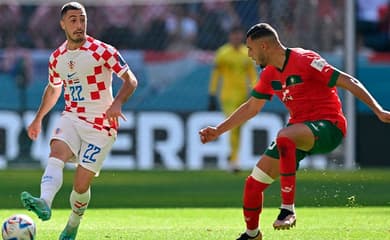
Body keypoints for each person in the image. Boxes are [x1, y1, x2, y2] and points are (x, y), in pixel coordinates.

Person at [199, 23, 390, 240]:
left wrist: (378, 110)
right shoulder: (269, 73)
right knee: (252, 186)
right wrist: (218, 130)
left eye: (251, 49)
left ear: (264, 46)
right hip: (296, 134)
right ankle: (252, 235)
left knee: (284, 136)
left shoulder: (305, 60)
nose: (249, 55)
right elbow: (252, 107)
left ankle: (287, 209)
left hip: (329, 126)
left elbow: (348, 80)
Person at [20, 2, 138, 240]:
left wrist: (116, 103)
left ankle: (73, 225)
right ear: (62, 24)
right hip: (72, 116)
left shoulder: (103, 50)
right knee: (56, 151)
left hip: (101, 125)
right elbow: (53, 89)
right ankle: (44, 201)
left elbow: (131, 80)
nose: (79, 25)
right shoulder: (57, 58)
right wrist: (38, 119)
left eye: (82, 19)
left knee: (81, 185)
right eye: (73, 20)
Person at [208, 25, 258, 172]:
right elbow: (216, 75)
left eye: (238, 35)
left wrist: (255, 90)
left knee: (239, 128)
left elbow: (252, 74)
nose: (236, 38)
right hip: (227, 96)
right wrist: (211, 93)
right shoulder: (223, 53)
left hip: (243, 96)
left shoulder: (246, 53)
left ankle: (233, 155)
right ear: (230, 36)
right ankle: (234, 161)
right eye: (233, 35)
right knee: (234, 125)